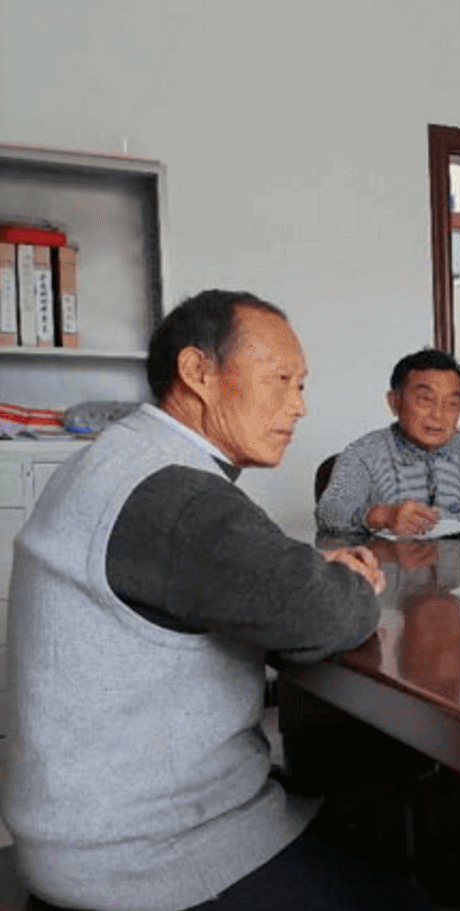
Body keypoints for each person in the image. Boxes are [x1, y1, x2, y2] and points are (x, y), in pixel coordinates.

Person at [3, 290, 431, 910]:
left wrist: (306, 572)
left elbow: (232, 572)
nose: (299, 405)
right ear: (197, 371)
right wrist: (355, 582)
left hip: (83, 826)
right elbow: (323, 615)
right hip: (145, 856)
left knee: (369, 816)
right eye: (281, 379)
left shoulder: (122, 460)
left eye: (301, 385)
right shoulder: (178, 496)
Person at [315, 348, 460, 536]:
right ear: (394, 402)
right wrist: (381, 516)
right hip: (388, 562)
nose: (438, 415)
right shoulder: (364, 453)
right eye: (425, 399)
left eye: (452, 404)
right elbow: (329, 512)